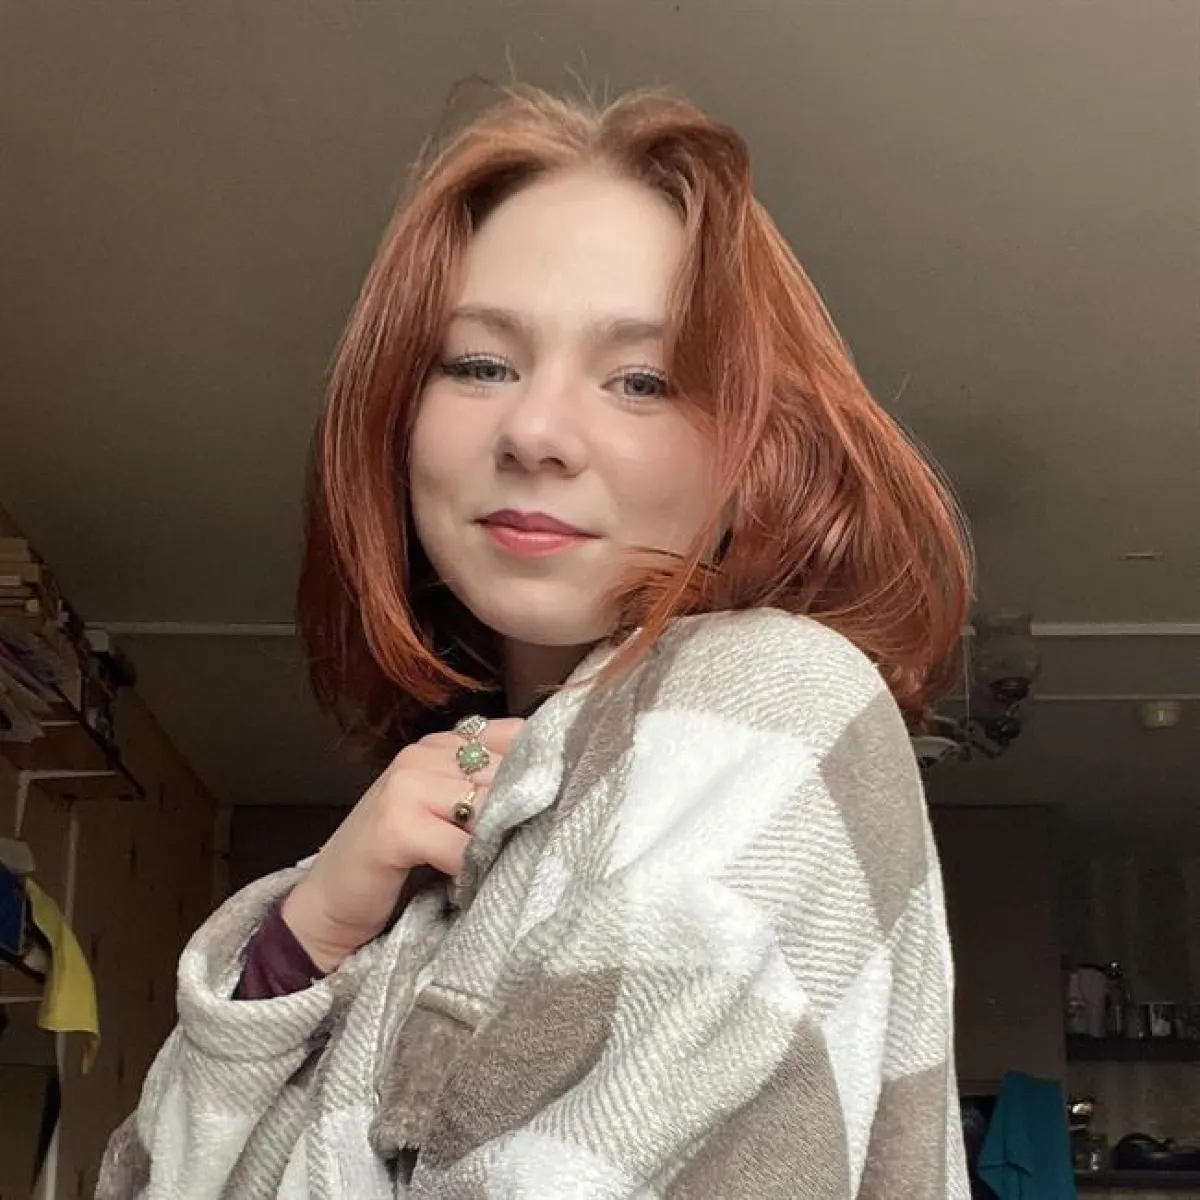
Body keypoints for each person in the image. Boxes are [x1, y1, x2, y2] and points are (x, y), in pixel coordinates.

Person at [99, 86, 973, 1199]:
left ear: (757, 453)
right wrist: (301, 935)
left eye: (643, 380)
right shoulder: (432, 854)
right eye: (479, 364)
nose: (536, 431)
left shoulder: (772, 698)